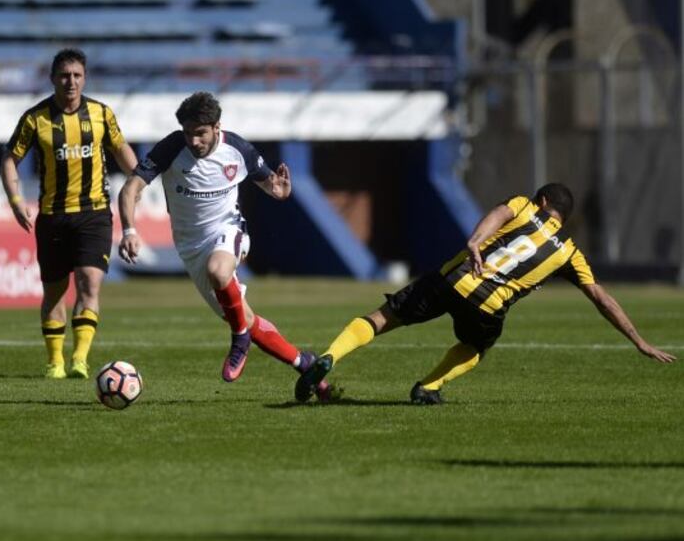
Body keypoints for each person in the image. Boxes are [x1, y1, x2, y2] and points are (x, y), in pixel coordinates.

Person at [295, 183, 677, 405]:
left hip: (455, 278)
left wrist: (476, 240)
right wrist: (638, 340)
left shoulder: (524, 206)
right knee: (475, 349)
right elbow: (601, 298)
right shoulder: (570, 253)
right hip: (488, 306)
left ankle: (329, 356)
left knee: (382, 318)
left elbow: (499, 214)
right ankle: (428, 387)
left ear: (542, 202)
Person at [118, 91, 335, 399]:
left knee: (219, 272)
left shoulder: (238, 149)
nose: (194, 141)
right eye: (188, 133)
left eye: (201, 133)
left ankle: (239, 340)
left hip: (229, 229)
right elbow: (130, 188)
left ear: (217, 127)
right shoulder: (171, 148)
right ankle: (305, 364)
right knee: (244, 316)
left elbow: (271, 184)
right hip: (190, 247)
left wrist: (281, 192)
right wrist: (128, 229)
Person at [1, 48, 137, 379]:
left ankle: (79, 358)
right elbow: (9, 159)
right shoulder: (35, 119)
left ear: (85, 78)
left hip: (94, 213)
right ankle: (55, 362)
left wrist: (141, 178)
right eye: (64, 75)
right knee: (55, 291)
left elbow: (120, 149)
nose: (71, 81)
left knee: (89, 282)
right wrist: (16, 200)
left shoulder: (102, 114)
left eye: (77, 75)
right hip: (53, 217)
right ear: (52, 79)